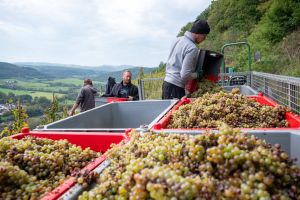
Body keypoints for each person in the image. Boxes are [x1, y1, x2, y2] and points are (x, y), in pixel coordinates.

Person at [162, 19, 210, 99]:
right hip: (176, 87)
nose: (204, 39)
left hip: (166, 84)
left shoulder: (177, 40)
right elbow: (185, 75)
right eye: (204, 36)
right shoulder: (192, 48)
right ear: (198, 34)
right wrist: (198, 74)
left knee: (168, 111)